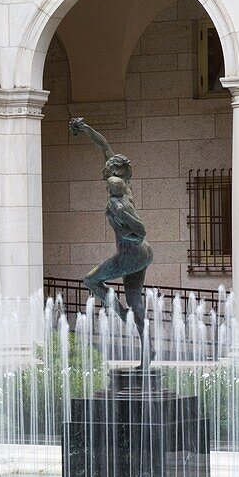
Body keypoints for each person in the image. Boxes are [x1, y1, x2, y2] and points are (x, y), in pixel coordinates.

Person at [69, 117, 155, 368]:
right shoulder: (123, 184)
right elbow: (104, 145)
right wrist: (85, 129)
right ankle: (147, 349)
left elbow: (140, 229)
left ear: (114, 176)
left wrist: (126, 223)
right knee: (135, 298)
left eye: (107, 171)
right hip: (142, 253)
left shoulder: (118, 199)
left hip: (131, 253)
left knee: (91, 280)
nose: (103, 170)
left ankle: (122, 314)